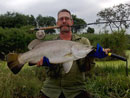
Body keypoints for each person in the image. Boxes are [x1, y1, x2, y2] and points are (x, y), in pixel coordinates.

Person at [37, 9, 110, 98]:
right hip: (51, 90)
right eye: (61, 19)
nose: (64, 21)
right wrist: (48, 65)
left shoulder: (83, 41)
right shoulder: (51, 42)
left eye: (67, 18)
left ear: (71, 22)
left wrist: (91, 57)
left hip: (76, 90)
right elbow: (50, 74)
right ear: (57, 23)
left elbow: (85, 69)